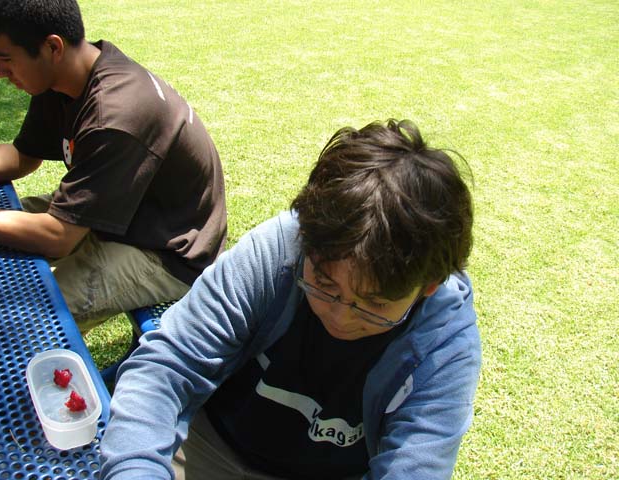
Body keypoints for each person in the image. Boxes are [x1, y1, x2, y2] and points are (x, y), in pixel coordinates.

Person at [100, 119, 481, 479]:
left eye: (375, 305)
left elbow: (414, 465)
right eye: (324, 284)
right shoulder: (278, 251)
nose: (340, 317)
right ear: (305, 241)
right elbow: (167, 368)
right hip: (210, 443)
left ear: (429, 286)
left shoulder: (445, 344)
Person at [0, 0, 227, 331]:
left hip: (166, 251)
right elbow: (23, 156)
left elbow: (58, 237)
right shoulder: (62, 78)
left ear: (53, 47)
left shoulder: (113, 115)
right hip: (116, 214)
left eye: (6, 58)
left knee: (22, 323)